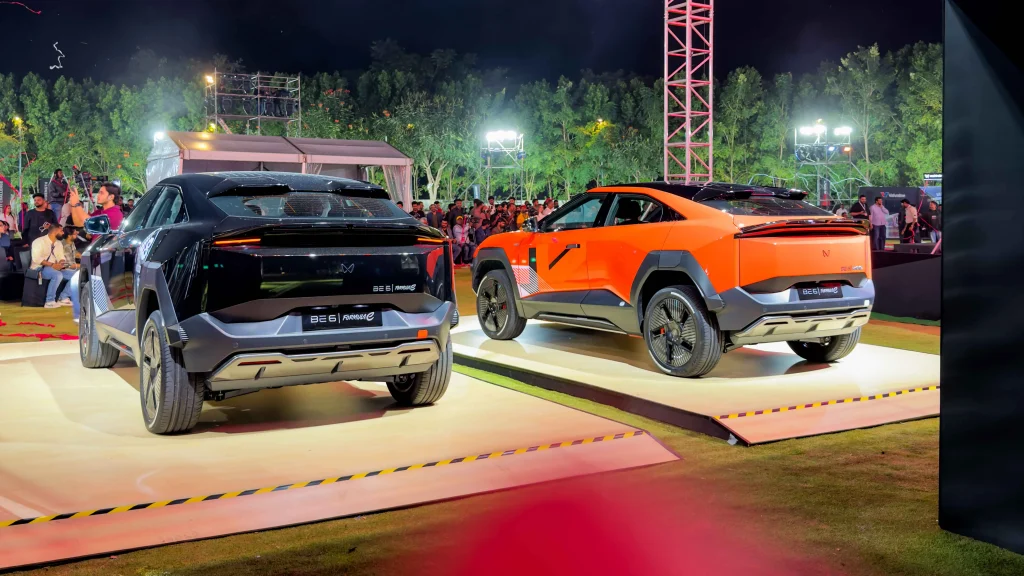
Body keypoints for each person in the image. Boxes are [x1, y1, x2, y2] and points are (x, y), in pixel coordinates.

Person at [31, 223, 78, 308]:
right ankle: (49, 301)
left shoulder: (58, 243)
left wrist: (61, 264)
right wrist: (52, 265)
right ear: (55, 231)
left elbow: (61, 257)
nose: (63, 233)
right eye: (61, 231)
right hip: (39, 268)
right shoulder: (39, 241)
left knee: (77, 275)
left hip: (54, 267)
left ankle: (63, 297)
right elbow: (36, 259)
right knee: (57, 275)